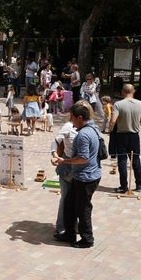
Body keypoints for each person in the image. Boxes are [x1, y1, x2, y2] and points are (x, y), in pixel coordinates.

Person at [51, 102, 102, 248]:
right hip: (81, 176)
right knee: (69, 204)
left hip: (86, 177)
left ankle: (87, 239)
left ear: (80, 117)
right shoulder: (92, 127)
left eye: (72, 117)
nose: (71, 120)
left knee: (83, 208)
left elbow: (83, 158)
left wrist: (65, 160)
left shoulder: (83, 134)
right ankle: (69, 233)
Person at [110, 84, 141, 193]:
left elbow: (113, 120)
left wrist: (110, 128)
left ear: (122, 92)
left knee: (122, 161)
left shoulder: (118, 104)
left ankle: (123, 186)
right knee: (136, 160)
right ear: (133, 91)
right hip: (135, 135)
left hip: (121, 135)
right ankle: (139, 185)